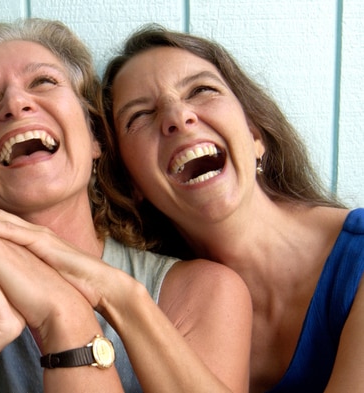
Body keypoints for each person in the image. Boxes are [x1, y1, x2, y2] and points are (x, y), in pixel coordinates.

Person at [0, 18, 253, 392]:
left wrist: (69, 310)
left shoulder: (200, 293)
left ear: (95, 137)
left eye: (43, 82)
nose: (15, 104)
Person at [101, 24, 364, 392]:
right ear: (132, 184)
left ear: (255, 135)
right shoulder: (161, 294)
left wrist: (128, 306)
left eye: (202, 90)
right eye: (140, 115)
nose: (178, 117)